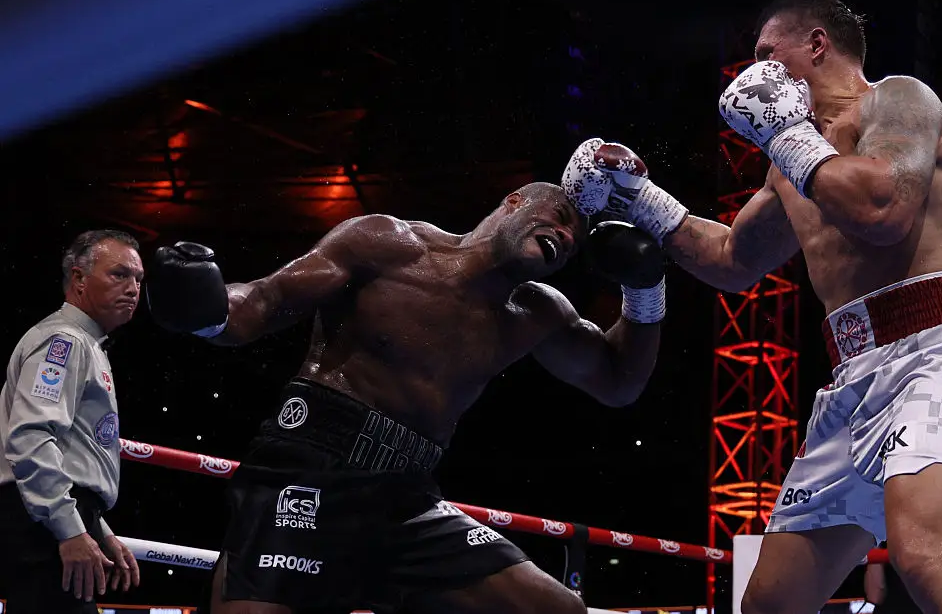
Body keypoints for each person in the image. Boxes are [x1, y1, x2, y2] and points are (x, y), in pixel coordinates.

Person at [560, 0, 942, 614]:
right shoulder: (790, 165)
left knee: (926, 556)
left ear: (817, 45)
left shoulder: (899, 100)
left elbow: (884, 209)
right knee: (770, 603)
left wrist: (788, 137)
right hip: (853, 380)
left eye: (767, 55)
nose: (756, 73)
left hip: (939, 351)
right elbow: (731, 260)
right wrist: (639, 198)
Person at [144, 181, 667, 614]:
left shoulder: (538, 312)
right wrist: (210, 310)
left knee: (556, 610)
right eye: (559, 217)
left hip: (406, 496)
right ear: (513, 202)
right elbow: (266, 297)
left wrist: (646, 288)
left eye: (574, 242)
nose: (566, 236)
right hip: (308, 470)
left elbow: (619, 383)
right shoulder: (389, 243)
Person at [0, 229, 144, 612]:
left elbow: (73, 453)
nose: (133, 288)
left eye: (138, 279)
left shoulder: (87, 344)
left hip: (54, 517)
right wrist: (69, 529)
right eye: (119, 274)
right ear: (79, 279)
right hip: (44, 525)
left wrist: (98, 529)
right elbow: (31, 437)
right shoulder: (63, 341)